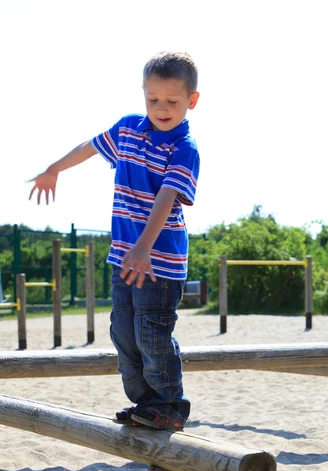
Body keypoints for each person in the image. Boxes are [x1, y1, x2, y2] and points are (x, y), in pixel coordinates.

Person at [28, 51, 200, 431]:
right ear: (143, 94)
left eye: (172, 101)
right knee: (123, 333)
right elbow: (89, 147)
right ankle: (146, 404)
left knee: (151, 332)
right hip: (123, 257)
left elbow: (166, 198)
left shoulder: (184, 150)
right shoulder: (128, 130)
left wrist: (144, 246)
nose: (161, 107)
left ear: (192, 101)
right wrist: (53, 169)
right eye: (152, 98)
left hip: (159, 261)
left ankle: (169, 403)